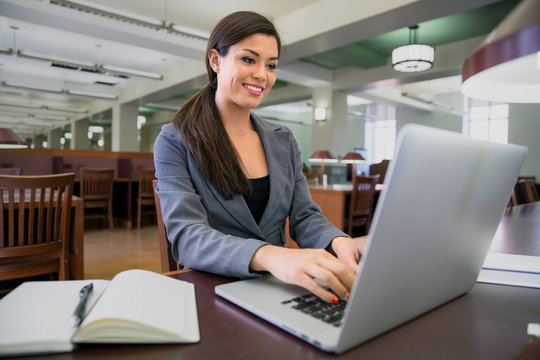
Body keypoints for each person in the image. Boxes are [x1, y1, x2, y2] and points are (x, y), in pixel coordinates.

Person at [154, 11, 367, 303]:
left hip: (275, 288)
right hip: (212, 292)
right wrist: (268, 256)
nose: (262, 75)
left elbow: (304, 216)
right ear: (216, 61)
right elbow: (187, 236)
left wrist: (340, 242)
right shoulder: (174, 139)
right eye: (249, 59)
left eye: (272, 65)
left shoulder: (283, 140)